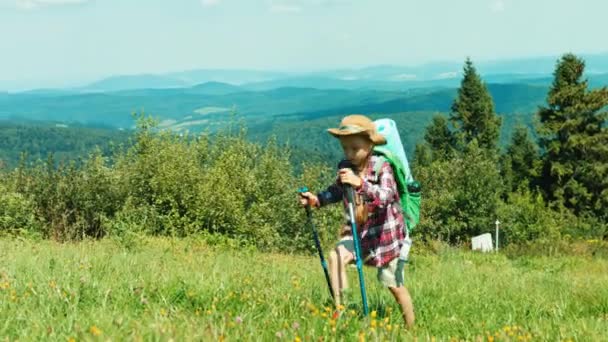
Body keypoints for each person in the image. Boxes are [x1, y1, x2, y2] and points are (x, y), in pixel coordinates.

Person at [299, 114, 415, 328]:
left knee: (393, 285)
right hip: (361, 234)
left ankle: (411, 328)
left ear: (370, 144)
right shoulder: (346, 166)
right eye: (345, 148)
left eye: (355, 148)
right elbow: (336, 191)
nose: (349, 154)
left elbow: (386, 196)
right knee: (336, 257)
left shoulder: (382, 167)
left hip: (386, 238)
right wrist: (316, 200)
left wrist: (360, 183)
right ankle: (341, 311)